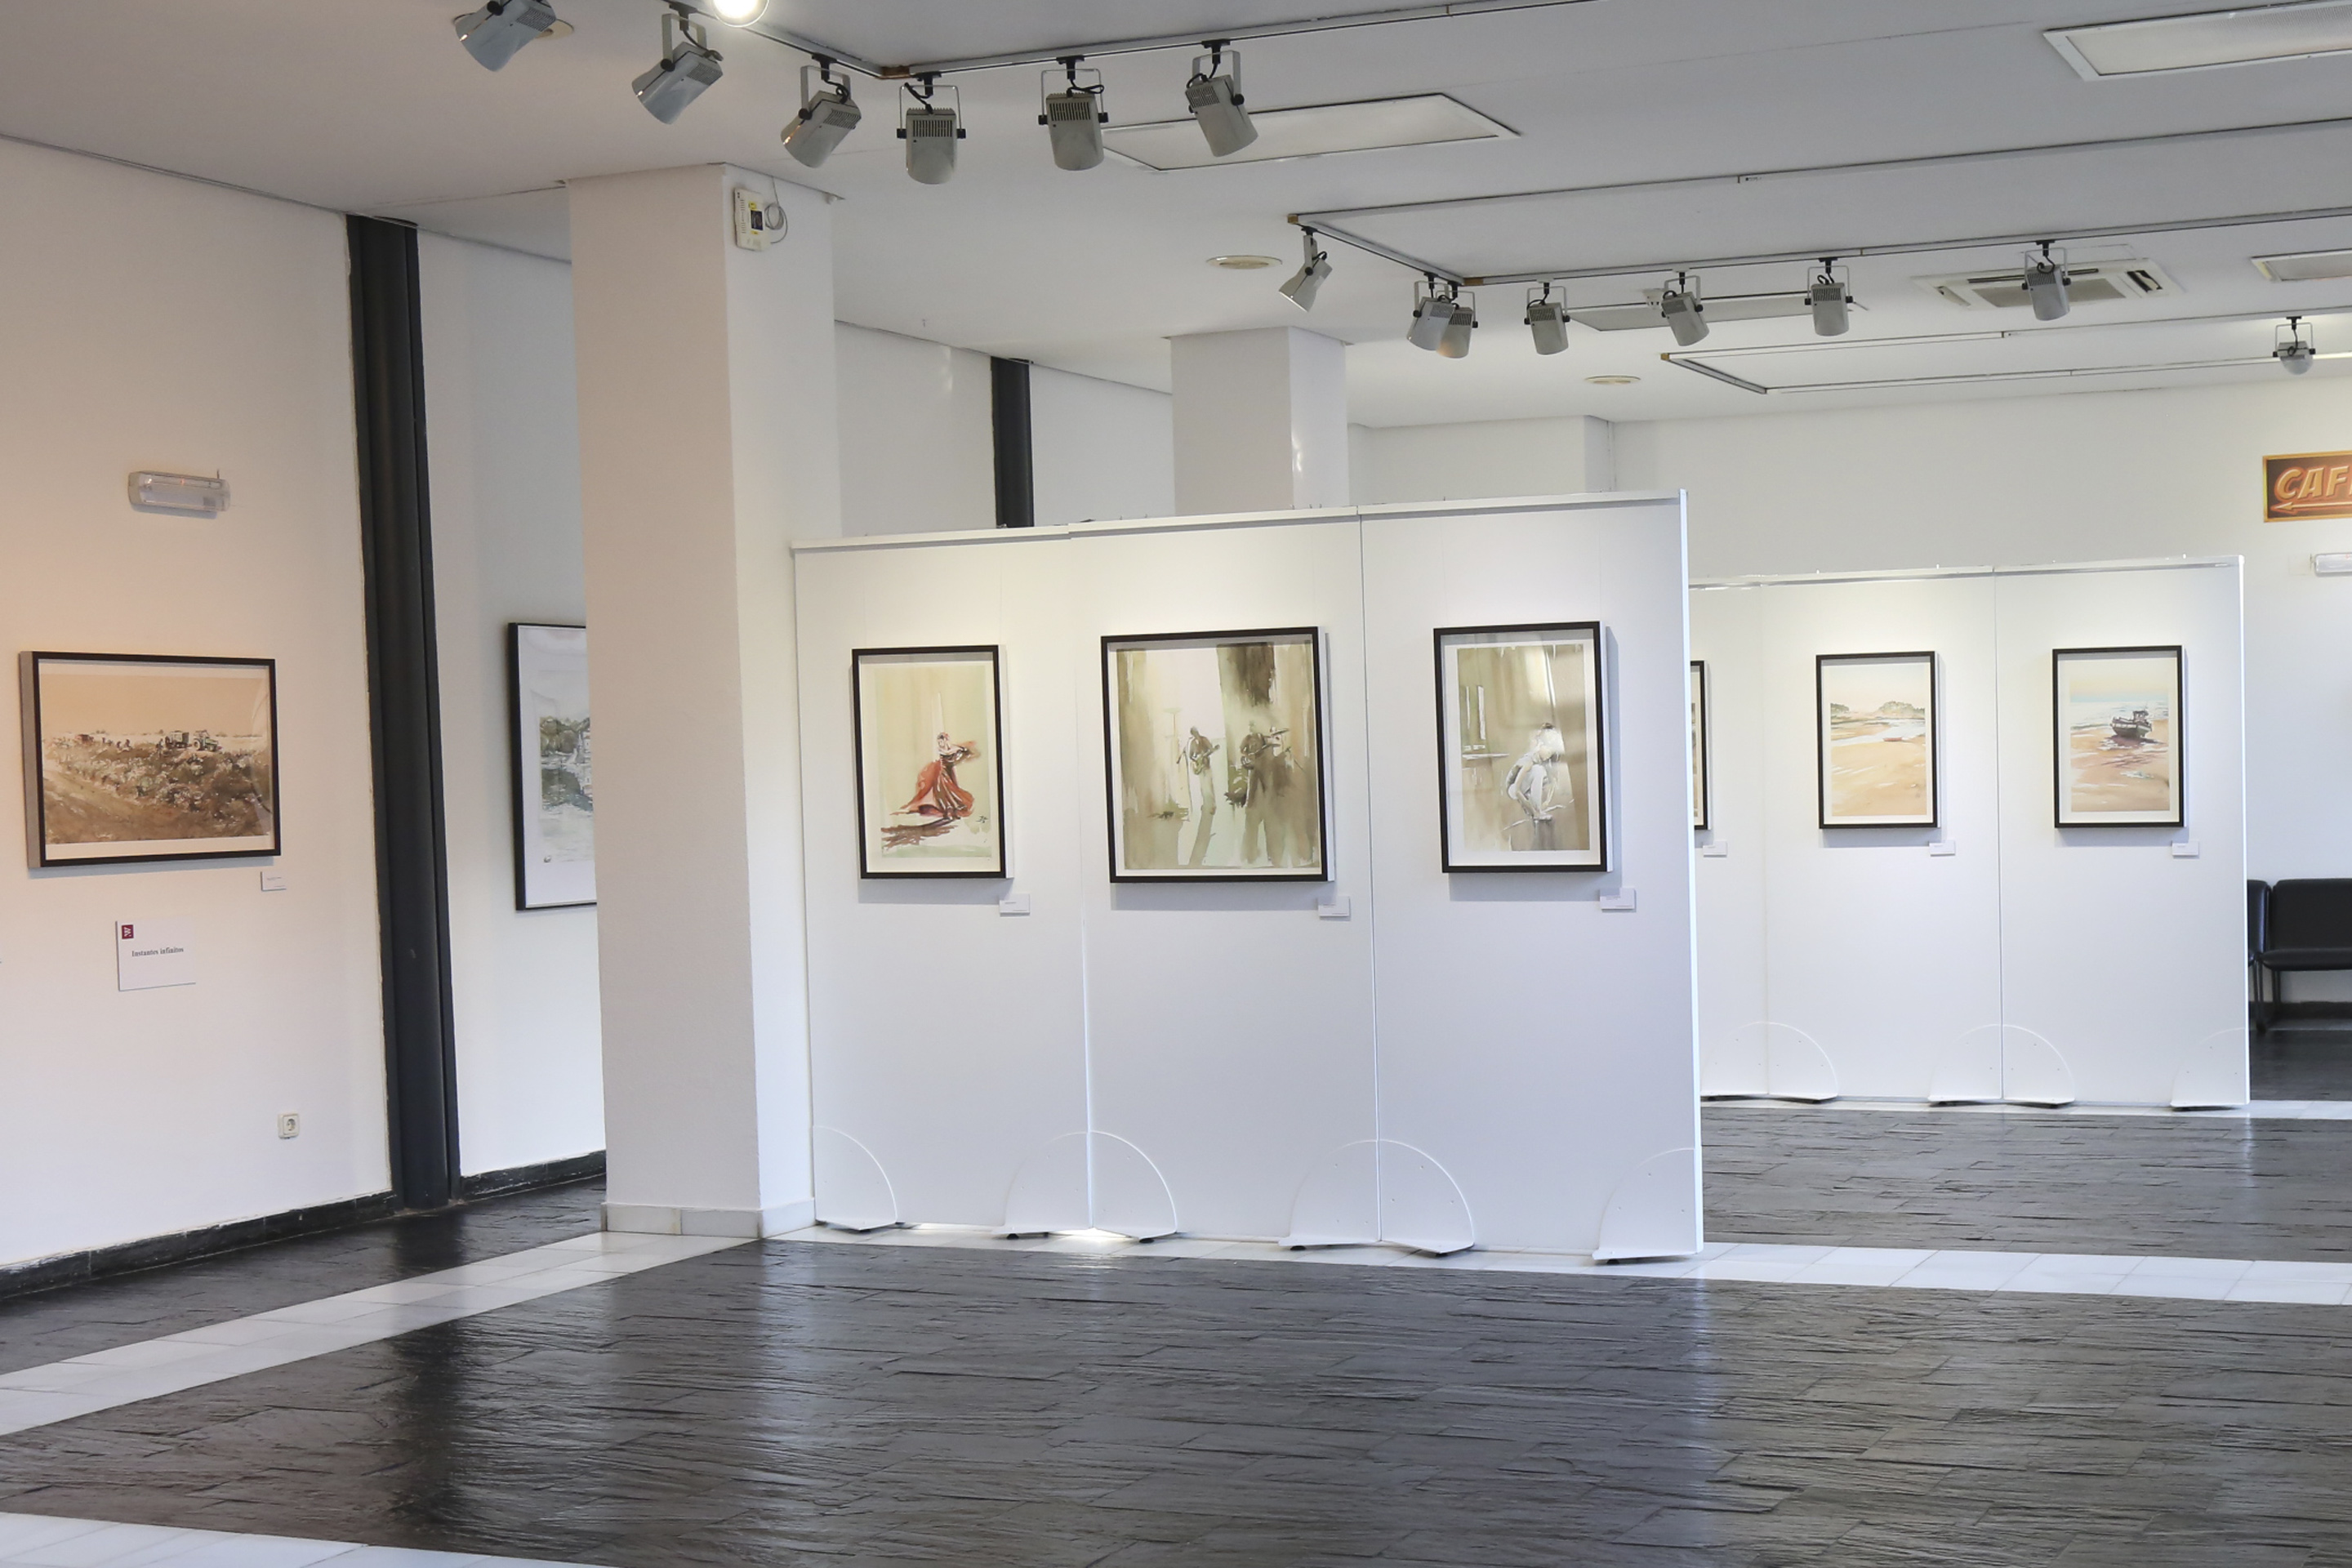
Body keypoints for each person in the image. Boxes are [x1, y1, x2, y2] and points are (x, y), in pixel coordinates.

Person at [1501, 723, 1569, 851]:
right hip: (1514, 788)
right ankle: (1537, 813)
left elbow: (1553, 783)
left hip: (1526, 789)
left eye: (1551, 751)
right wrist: (1534, 811)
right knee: (1538, 770)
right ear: (1539, 746)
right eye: (1547, 749)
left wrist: (1547, 802)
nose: (1548, 753)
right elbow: (1516, 790)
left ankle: (1538, 812)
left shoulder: (1545, 762)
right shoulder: (1530, 761)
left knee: (1542, 771)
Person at [899, 732, 978, 823]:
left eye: (941, 741)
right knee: (944, 791)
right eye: (939, 742)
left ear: (946, 740)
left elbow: (959, 752)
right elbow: (947, 752)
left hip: (950, 771)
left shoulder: (952, 748)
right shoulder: (940, 749)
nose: (940, 743)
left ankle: (954, 810)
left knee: (953, 789)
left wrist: (960, 750)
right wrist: (957, 749)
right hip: (943, 772)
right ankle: (947, 811)